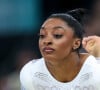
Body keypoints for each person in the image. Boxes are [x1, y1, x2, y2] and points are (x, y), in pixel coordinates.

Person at [20, 10, 100, 90]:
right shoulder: (31, 73)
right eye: (42, 35)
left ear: (76, 43)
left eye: (57, 35)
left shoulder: (95, 71)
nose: (46, 41)